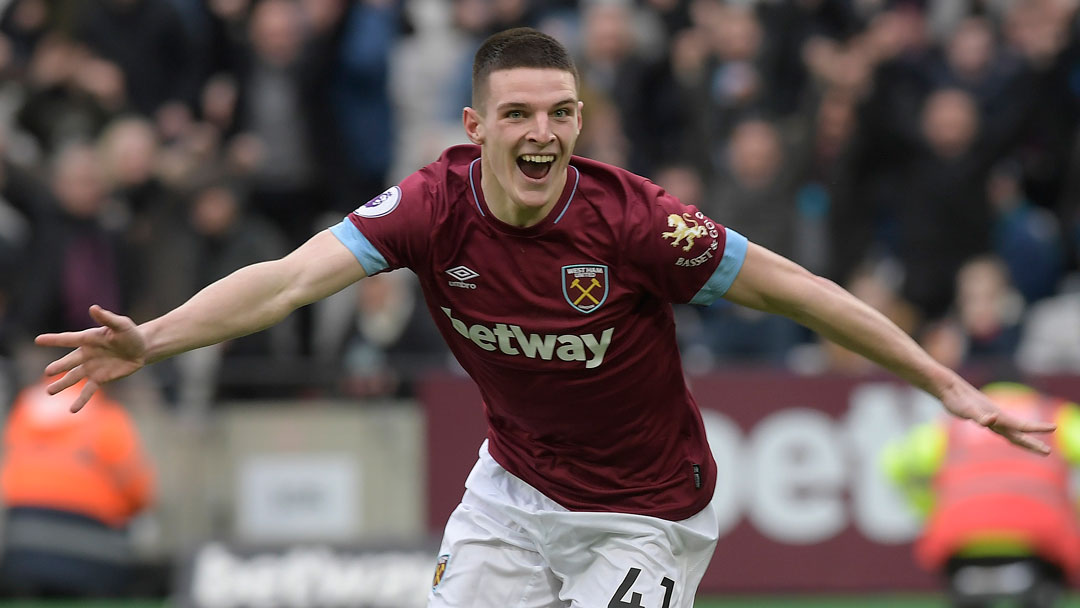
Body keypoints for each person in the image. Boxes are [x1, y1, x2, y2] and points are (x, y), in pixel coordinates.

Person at [36, 28, 1056, 607]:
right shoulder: (431, 206)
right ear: (477, 126)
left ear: (580, 120)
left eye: (560, 113)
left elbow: (801, 289)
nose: (541, 131)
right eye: (518, 113)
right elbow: (290, 279)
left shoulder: (638, 220)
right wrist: (155, 334)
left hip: (650, 510)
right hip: (513, 489)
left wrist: (946, 379)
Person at [882, 382, 1080, 608]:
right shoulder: (1056, 415)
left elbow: (894, 464)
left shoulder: (951, 424)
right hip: (1041, 539)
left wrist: (929, 509)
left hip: (959, 536)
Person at [0, 375, 155, 597]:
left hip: (22, 544)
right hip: (91, 552)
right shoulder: (106, 415)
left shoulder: (24, 409)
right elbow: (138, 492)